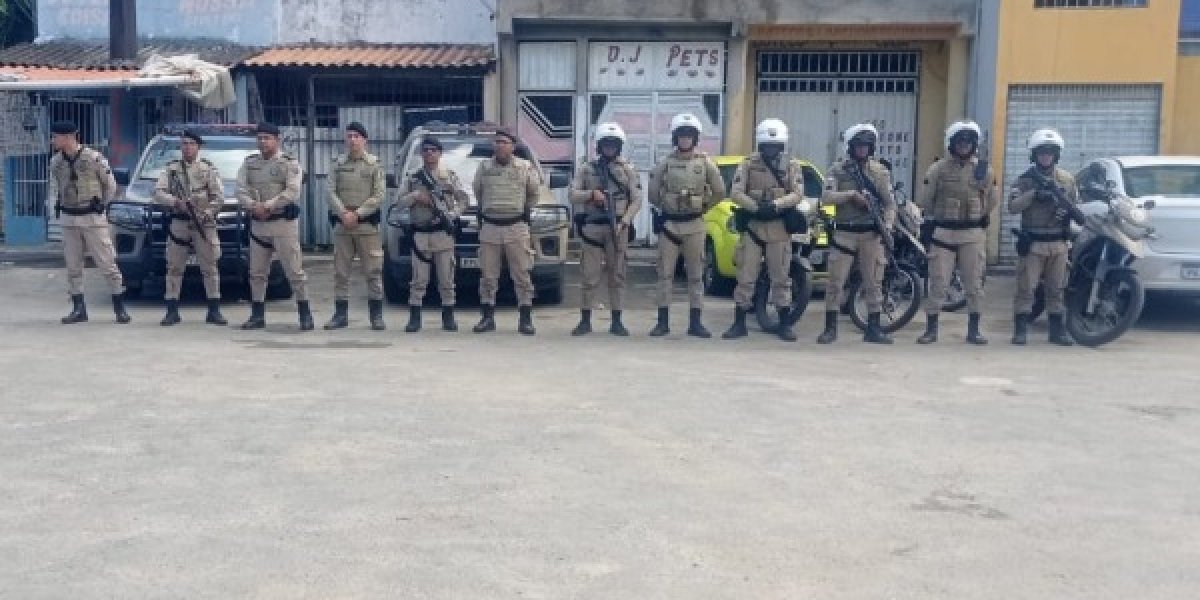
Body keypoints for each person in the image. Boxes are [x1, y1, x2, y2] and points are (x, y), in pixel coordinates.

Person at [722, 118, 809, 342]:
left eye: (775, 146)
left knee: (780, 278)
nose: (771, 150)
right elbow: (736, 192)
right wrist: (756, 207)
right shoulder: (748, 164)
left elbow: (798, 193)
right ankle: (738, 322)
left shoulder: (791, 165)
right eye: (768, 146)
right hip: (754, 227)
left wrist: (776, 205)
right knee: (746, 277)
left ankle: (784, 323)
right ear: (760, 145)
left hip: (779, 228)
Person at [915, 120, 1000, 345]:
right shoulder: (938, 169)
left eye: (968, 141)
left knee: (974, 284)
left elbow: (993, 199)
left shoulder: (984, 170)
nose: (964, 145)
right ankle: (931, 329)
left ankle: (974, 330)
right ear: (951, 144)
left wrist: (980, 214)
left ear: (974, 144)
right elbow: (925, 199)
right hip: (944, 233)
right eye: (960, 141)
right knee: (938, 283)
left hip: (972, 234)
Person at [816, 123, 896, 344]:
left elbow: (890, 204)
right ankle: (830, 329)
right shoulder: (838, 170)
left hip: (871, 233)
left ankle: (873, 328)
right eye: (859, 146)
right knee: (835, 282)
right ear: (850, 147)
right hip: (845, 233)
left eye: (867, 146)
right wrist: (851, 195)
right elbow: (827, 197)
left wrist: (887, 227)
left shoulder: (880, 172)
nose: (863, 150)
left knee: (873, 283)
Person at [647, 112, 725, 338]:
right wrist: (666, 205)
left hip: (695, 225)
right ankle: (662, 322)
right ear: (675, 138)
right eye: (681, 135)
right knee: (665, 275)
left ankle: (695, 322)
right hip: (670, 225)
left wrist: (703, 207)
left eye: (689, 135)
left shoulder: (705, 163)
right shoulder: (666, 163)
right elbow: (652, 193)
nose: (685, 139)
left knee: (695, 275)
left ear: (695, 138)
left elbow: (720, 191)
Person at [49, 120, 130, 324]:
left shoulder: (94, 158)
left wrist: (102, 205)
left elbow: (110, 185)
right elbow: (53, 189)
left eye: (56, 136)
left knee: (107, 263)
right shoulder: (56, 162)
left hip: (92, 217)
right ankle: (79, 309)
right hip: (69, 217)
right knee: (73, 265)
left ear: (68, 137)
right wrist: (54, 209)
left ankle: (119, 307)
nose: (53, 140)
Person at [568, 122, 643, 336]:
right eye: (606, 144)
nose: (609, 148)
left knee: (617, 275)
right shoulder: (587, 168)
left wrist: (626, 220)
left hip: (618, 227)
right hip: (592, 227)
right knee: (589, 276)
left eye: (613, 144)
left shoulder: (627, 169)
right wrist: (591, 195)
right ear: (599, 146)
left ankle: (617, 321)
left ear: (618, 146)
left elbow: (637, 199)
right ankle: (585, 321)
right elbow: (573, 194)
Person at [236, 122, 311, 331]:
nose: (263, 142)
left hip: (282, 225)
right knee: (257, 273)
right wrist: (252, 206)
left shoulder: (289, 163)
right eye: (260, 138)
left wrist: (268, 206)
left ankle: (305, 315)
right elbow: (240, 189)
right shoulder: (249, 164)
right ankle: (257, 315)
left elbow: (292, 191)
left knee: (294, 271)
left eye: (267, 138)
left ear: (277, 140)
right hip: (259, 225)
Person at [1009, 128, 1078, 346]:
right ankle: (1020, 331)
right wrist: (1034, 194)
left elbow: (1075, 206)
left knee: (1056, 289)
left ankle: (1056, 332)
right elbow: (1012, 207)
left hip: (1058, 243)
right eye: (1041, 153)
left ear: (1056, 155)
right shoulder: (1025, 180)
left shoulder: (1066, 180)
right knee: (1026, 288)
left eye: (1049, 153)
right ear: (1034, 155)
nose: (1045, 157)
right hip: (1034, 244)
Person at [153, 128, 227, 326]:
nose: (187, 147)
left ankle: (214, 310)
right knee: (174, 267)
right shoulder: (171, 170)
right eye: (184, 144)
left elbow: (218, 197)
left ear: (198, 147)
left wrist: (208, 214)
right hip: (179, 222)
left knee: (210, 267)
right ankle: (172, 310)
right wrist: (176, 202)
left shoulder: (208, 169)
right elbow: (158, 193)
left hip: (203, 223)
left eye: (191, 144)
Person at [471, 127, 541, 335]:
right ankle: (487, 317)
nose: (499, 145)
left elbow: (533, 195)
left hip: (516, 227)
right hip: (490, 227)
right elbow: (478, 192)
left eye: (504, 142)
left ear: (513, 146)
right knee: (488, 276)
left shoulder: (525, 167)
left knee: (522, 275)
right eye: (497, 142)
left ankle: (525, 319)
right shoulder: (484, 167)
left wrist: (520, 212)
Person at [396, 135, 469, 332]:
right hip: (420, 233)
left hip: (442, 234)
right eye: (426, 150)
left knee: (446, 278)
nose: (430, 153)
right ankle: (415, 317)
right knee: (419, 279)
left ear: (440, 153)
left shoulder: (449, 176)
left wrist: (452, 215)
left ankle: (448, 316)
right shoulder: (413, 176)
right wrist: (416, 196)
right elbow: (399, 202)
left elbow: (464, 200)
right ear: (422, 153)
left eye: (434, 150)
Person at [324, 121, 386, 331]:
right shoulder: (337, 164)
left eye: (356, 136)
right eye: (349, 136)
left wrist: (357, 215)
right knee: (341, 272)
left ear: (364, 140)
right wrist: (343, 213)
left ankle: (376, 316)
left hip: (366, 227)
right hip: (343, 226)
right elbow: (330, 192)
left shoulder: (374, 165)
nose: (352, 140)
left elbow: (379, 195)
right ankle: (340, 315)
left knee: (373, 271)